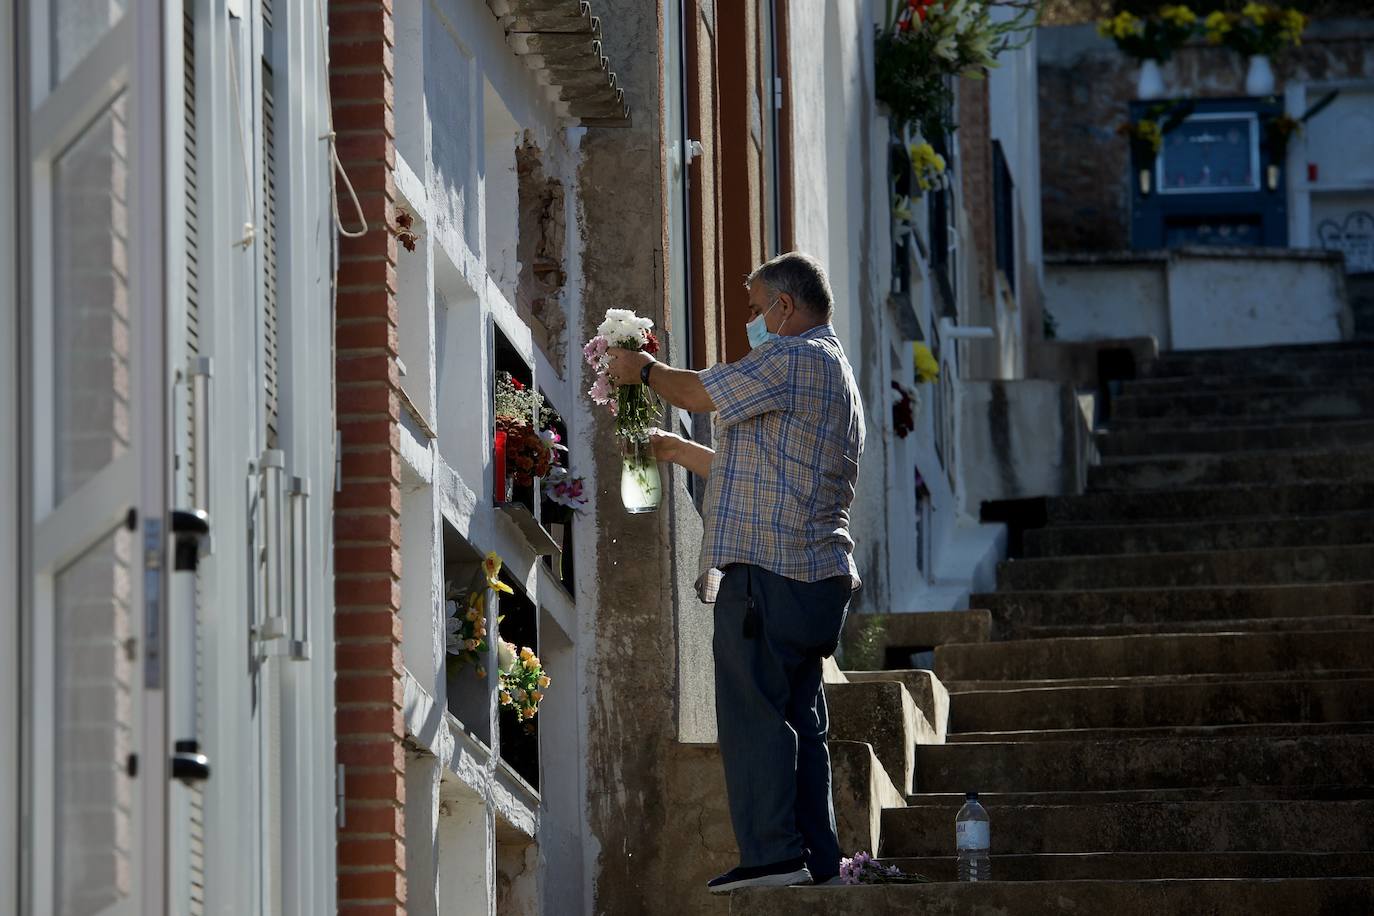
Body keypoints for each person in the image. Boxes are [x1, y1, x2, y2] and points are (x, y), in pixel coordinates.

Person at [604, 251, 865, 893]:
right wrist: (675, 450)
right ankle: (815, 857)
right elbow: (763, 476)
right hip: (814, 577)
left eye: (753, 309)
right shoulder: (832, 371)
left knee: (752, 715)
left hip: (772, 574)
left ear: (784, 306)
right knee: (799, 720)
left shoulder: (796, 356)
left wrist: (640, 368)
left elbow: (697, 392)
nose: (750, 323)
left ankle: (774, 854)